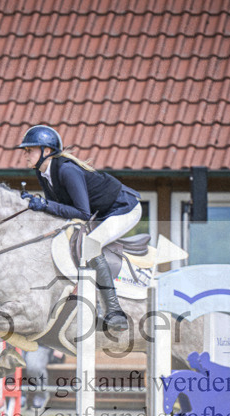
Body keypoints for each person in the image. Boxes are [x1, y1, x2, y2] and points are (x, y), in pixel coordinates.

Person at [17, 124, 141, 332]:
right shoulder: (43, 173)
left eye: (30, 150)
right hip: (101, 213)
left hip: (124, 208)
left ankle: (115, 312)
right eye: (26, 151)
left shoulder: (67, 170)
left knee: (91, 245)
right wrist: (36, 205)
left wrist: (44, 204)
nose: (26, 155)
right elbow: (59, 210)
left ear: (47, 151)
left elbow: (82, 213)